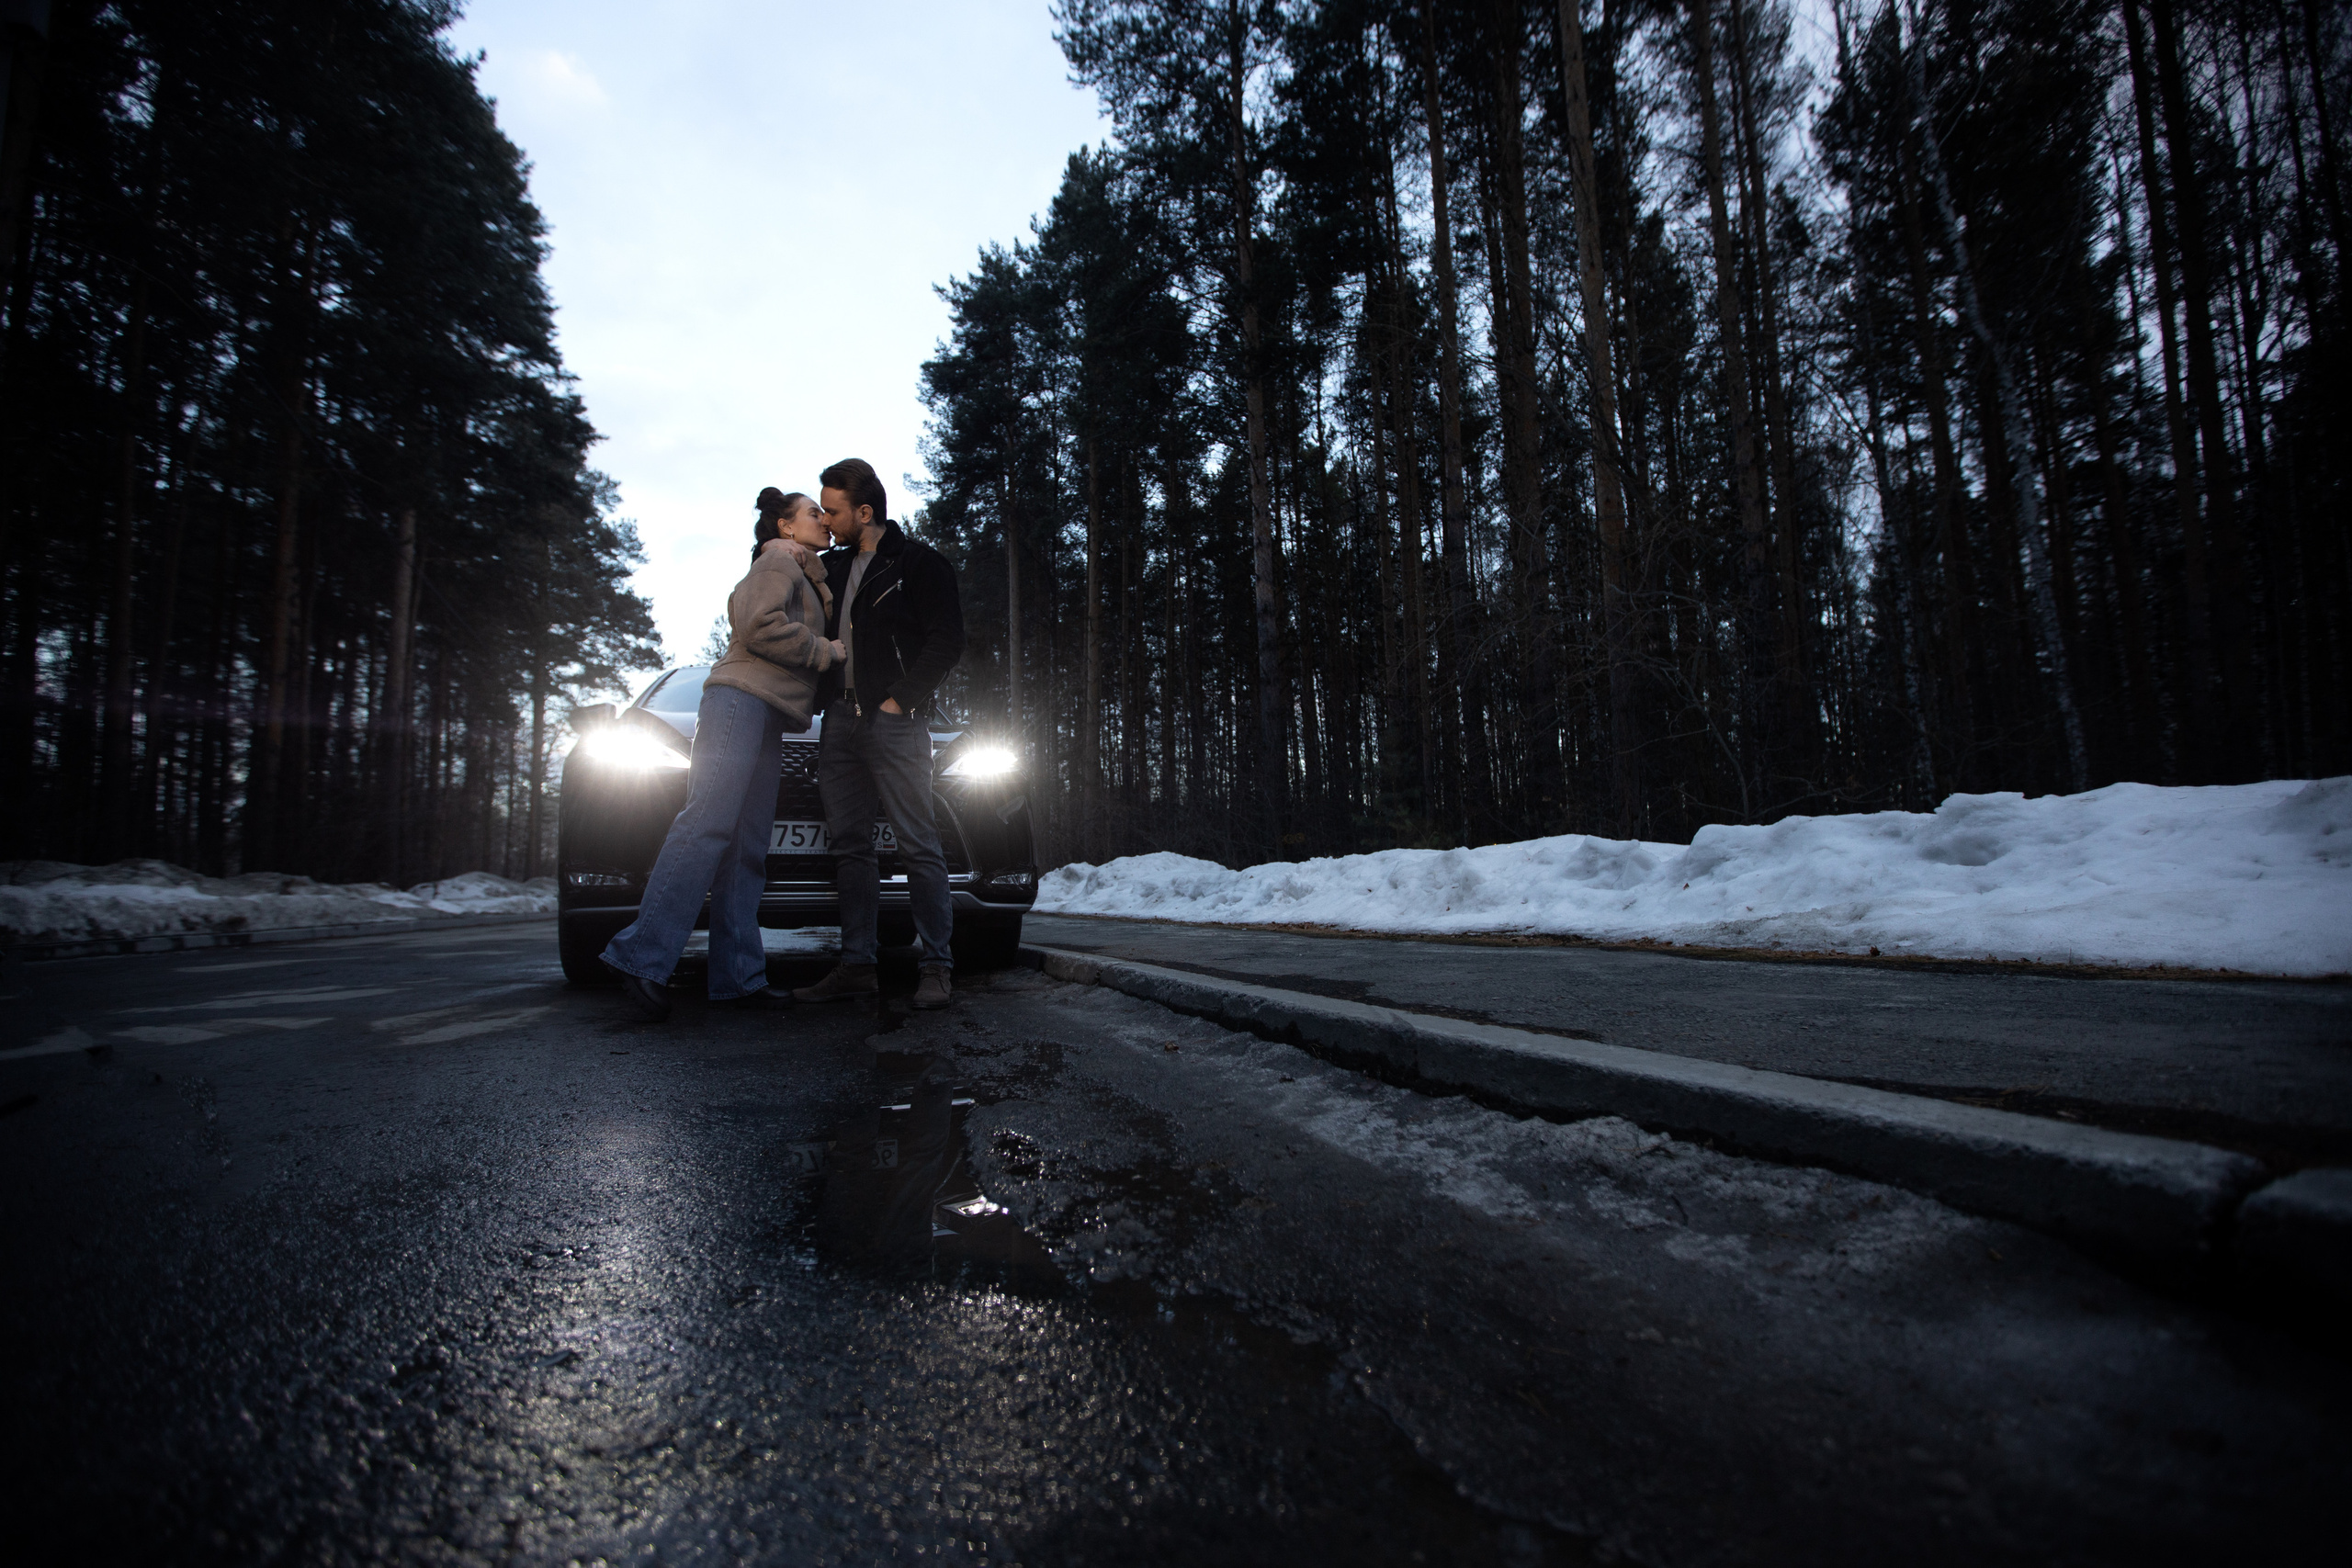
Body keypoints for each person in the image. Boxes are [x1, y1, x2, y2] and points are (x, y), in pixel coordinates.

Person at [601, 489, 843, 1021]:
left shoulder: (803, 570)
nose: (823, 522)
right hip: (740, 700)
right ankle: (639, 957)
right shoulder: (778, 560)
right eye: (812, 513)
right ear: (784, 526)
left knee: (746, 847)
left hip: (769, 712)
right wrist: (826, 651)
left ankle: (737, 977)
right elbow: (757, 625)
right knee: (707, 824)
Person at [793, 457, 966, 1010]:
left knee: (918, 844)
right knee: (850, 848)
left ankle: (936, 966)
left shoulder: (920, 564)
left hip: (895, 721)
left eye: (833, 509)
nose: (825, 517)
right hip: (839, 722)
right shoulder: (833, 569)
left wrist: (899, 700)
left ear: (864, 512)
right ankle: (857, 966)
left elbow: (947, 641)